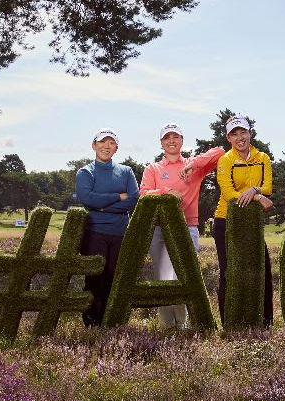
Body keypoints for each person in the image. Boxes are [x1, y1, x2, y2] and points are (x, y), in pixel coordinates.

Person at [139, 123, 225, 330]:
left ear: (181, 141)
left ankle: (183, 325)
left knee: (185, 275)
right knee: (163, 276)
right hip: (160, 228)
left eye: (175, 137)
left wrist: (193, 163)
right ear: (161, 143)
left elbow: (220, 152)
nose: (171, 141)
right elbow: (143, 194)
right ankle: (167, 326)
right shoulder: (153, 169)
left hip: (188, 227)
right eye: (167, 137)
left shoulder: (194, 166)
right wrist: (165, 193)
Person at [214, 114, 274, 327]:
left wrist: (255, 189)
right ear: (228, 138)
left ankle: (265, 323)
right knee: (228, 272)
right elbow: (229, 193)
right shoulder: (226, 160)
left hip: (252, 223)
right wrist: (256, 197)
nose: (240, 137)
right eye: (234, 134)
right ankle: (229, 323)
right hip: (225, 221)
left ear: (250, 133)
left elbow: (268, 186)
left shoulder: (263, 157)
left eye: (243, 132)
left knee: (262, 269)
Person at [76, 128, 139, 327]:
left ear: (116, 148)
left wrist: (102, 206)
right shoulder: (85, 172)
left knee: (114, 277)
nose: (106, 146)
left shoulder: (126, 171)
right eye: (102, 142)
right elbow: (88, 199)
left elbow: (133, 199)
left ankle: (111, 322)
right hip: (95, 233)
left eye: (111, 143)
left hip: (120, 232)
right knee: (95, 277)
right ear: (94, 145)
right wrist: (116, 197)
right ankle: (92, 323)